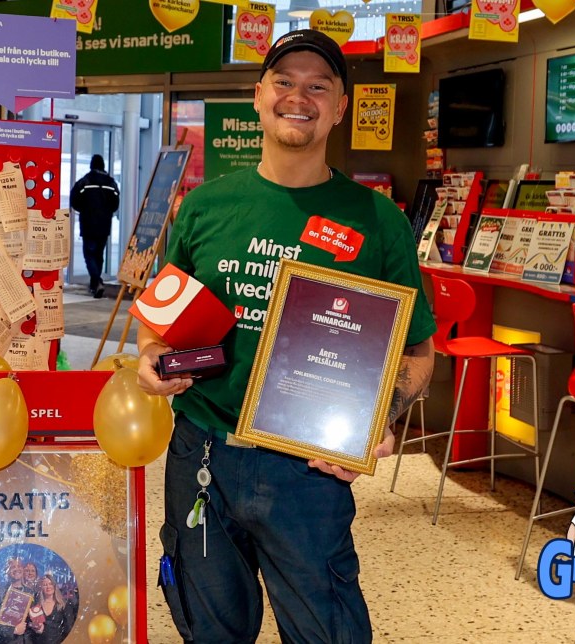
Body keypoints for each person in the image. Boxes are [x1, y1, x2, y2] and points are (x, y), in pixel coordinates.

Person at [136, 29, 436, 644]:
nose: (299, 97)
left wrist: (377, 416)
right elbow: (160, 317)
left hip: (310, 471)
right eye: (284, 82)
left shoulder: (378, 221)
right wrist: (150, 358)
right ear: (258, 96)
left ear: (340, 107)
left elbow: (418, 353)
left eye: (318, 86)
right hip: (203, 454)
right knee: (209, 628)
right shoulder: (204, 207)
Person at [71, 153, 120, 298]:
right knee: (99, 255)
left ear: (91, 166)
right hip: (104, 225)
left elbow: (74, 200)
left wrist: (84, 210)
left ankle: (97, 281)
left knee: (89, 254)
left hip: (88, 224)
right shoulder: (111, 183)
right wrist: (106, 212)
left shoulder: (85, 181)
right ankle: (95, 284)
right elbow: (115, 204)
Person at [25, 572, 77, 644]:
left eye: (50, 584)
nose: (48, 587)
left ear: (55, 586)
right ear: (41, 588)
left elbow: (69, 628)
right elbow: (28, 624)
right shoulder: (35, 605)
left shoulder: (64, 605)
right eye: (45, 585)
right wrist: (34, 626)